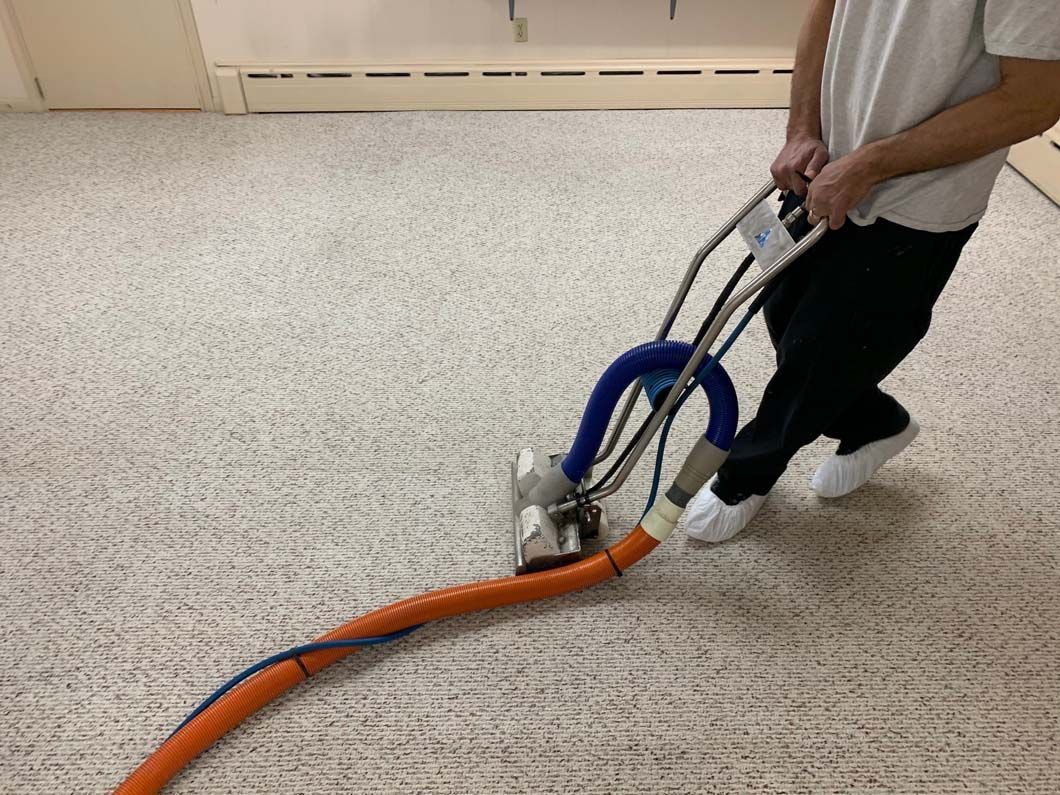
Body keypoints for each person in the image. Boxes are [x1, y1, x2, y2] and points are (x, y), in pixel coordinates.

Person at [686, 0, 1060, 542]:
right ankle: (874, 423)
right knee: (785, 309)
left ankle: (750, 469)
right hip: (828, 161)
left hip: (919, 197)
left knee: (828, 346)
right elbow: (825, 9)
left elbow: (1032, 99)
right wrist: (801, 127)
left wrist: (873, 164)